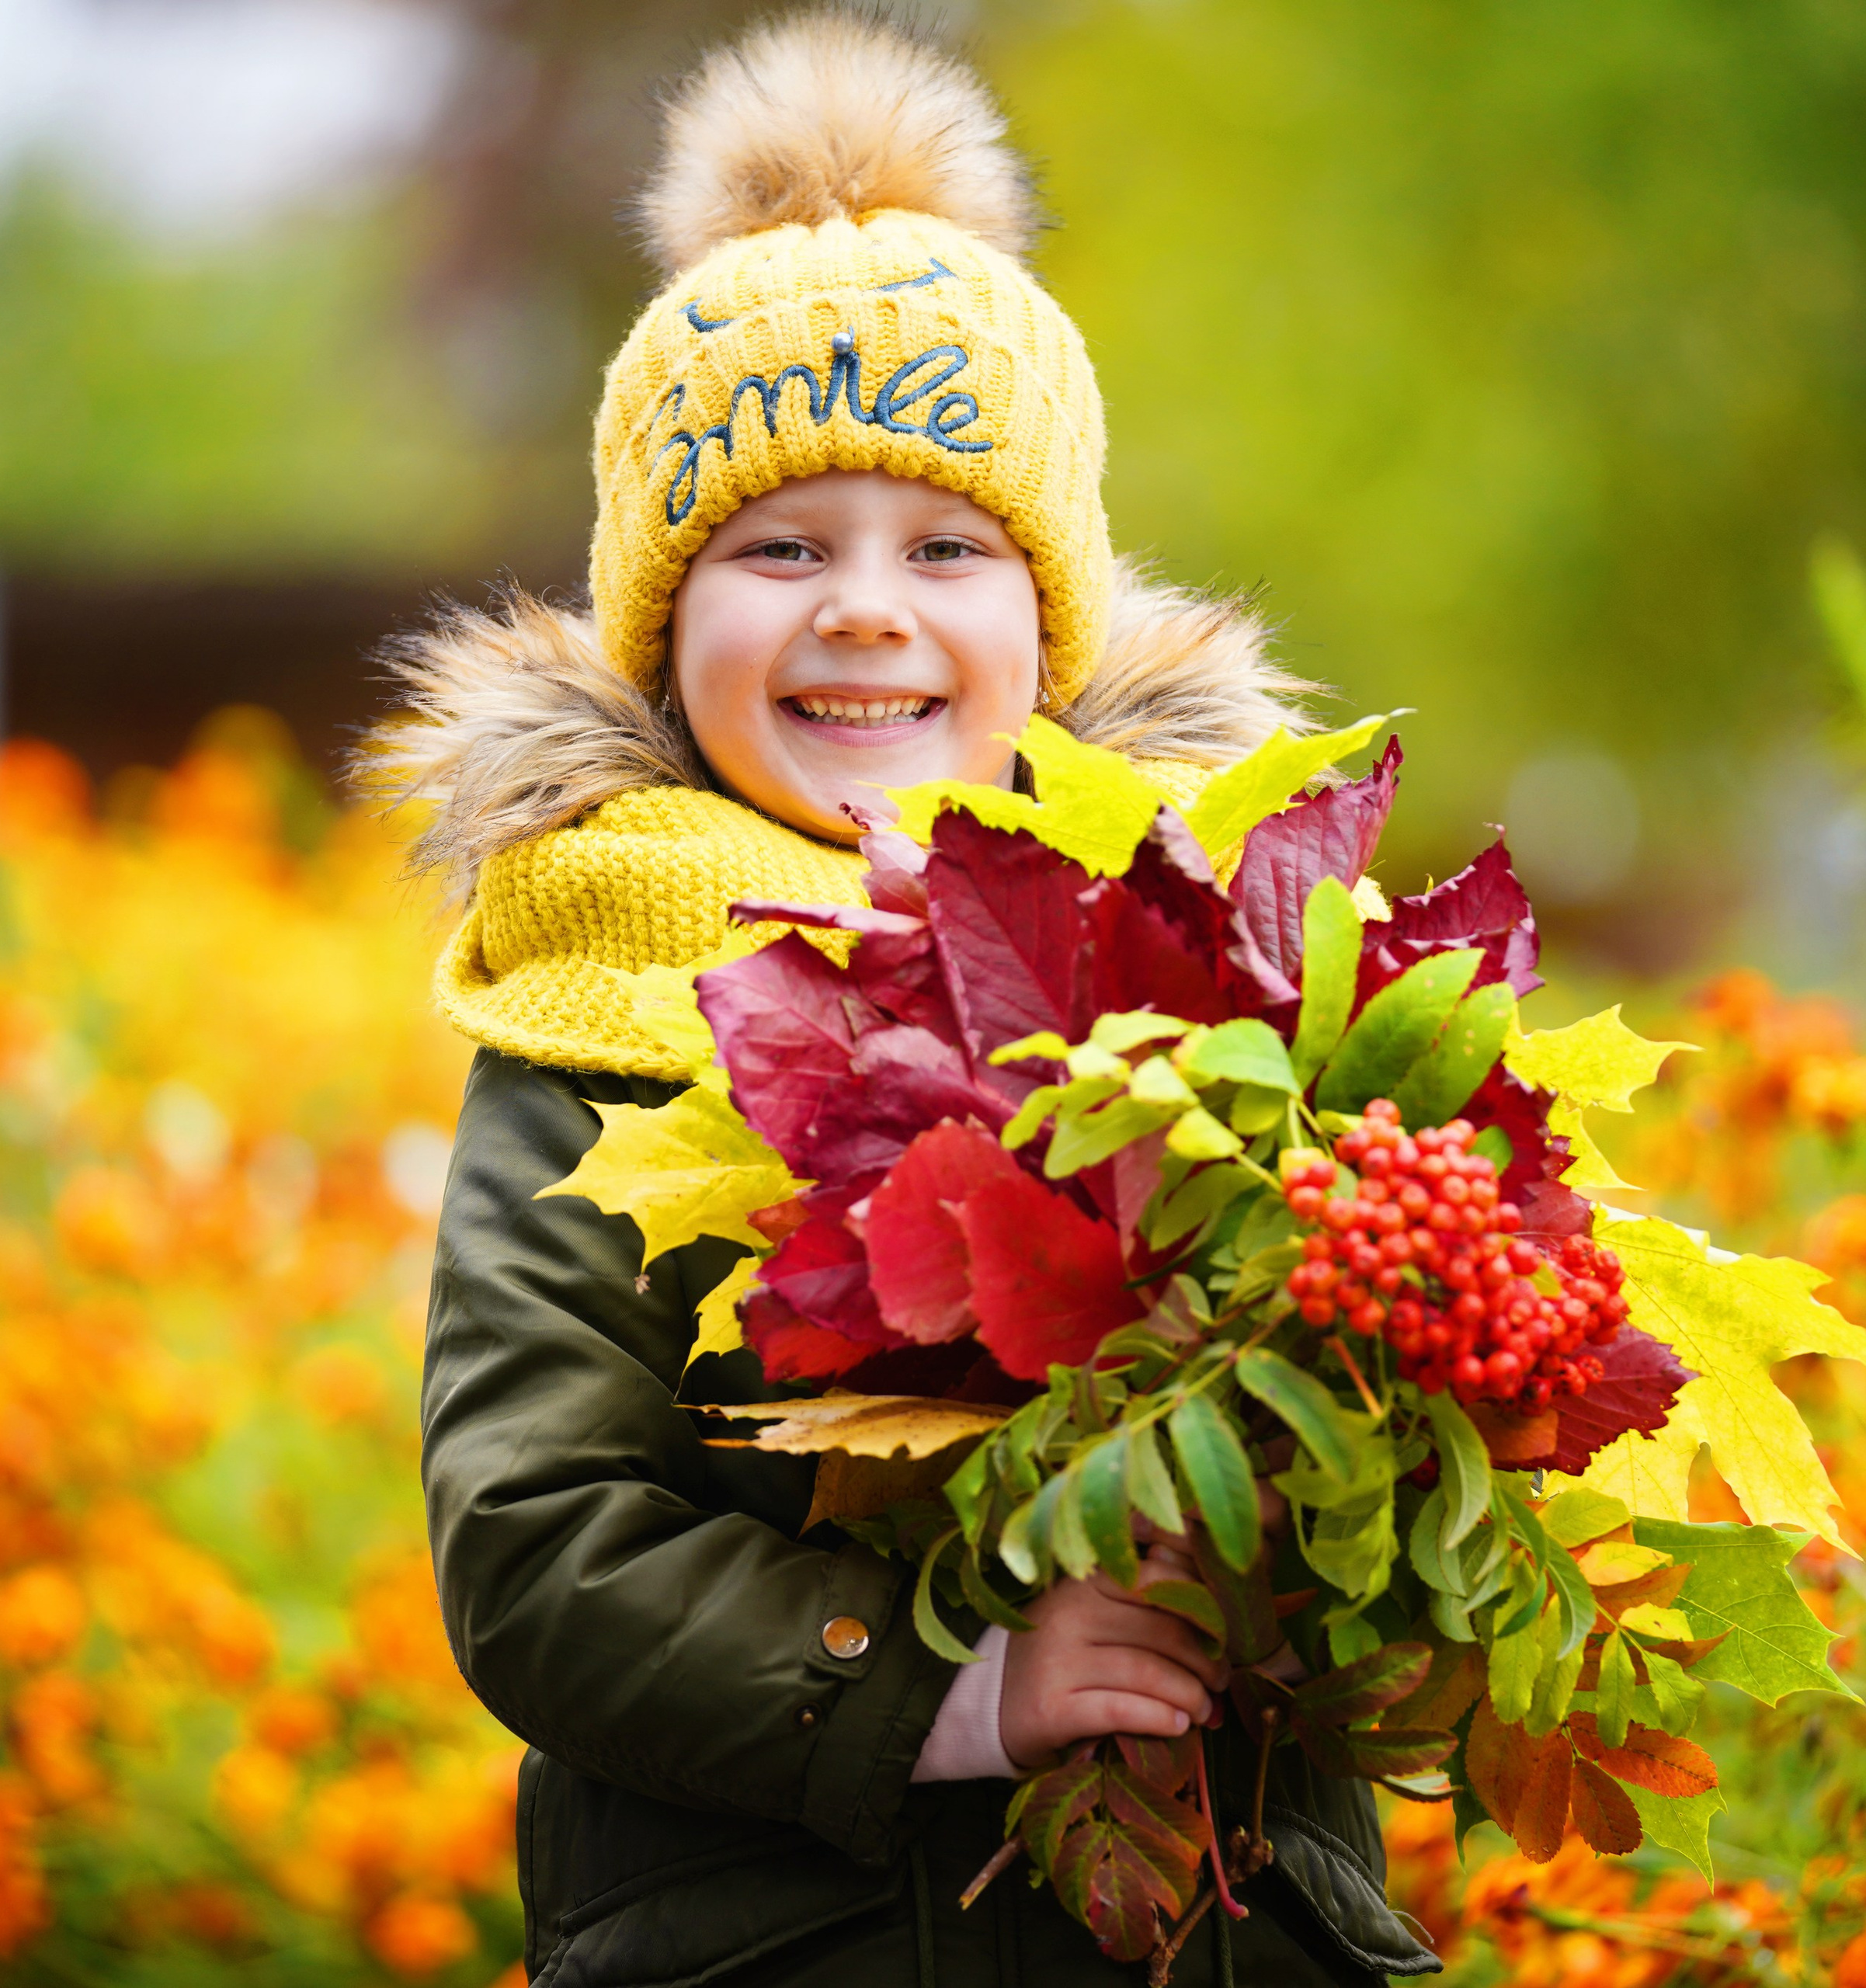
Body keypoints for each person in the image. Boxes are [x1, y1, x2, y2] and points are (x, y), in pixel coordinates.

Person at [367, 12, 1439, 1986]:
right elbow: (535, 1532)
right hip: (789, 1932)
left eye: (947, 544)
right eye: (778, 547)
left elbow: (1380, 1380)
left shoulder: (1223, 968)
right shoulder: (601, 997)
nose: (865, 605)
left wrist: (1362, 1537)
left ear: (1050, 616)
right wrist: (948, 1683)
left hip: (1231, 1917)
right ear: (662, 614)